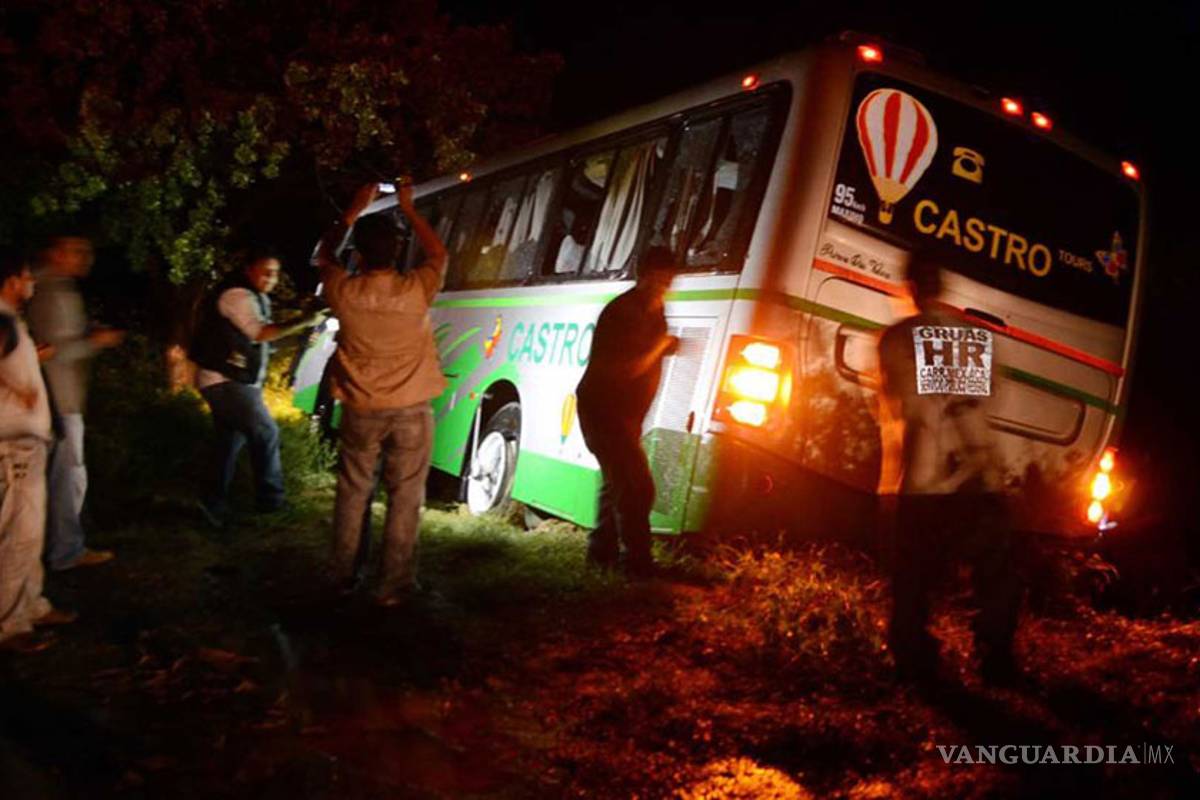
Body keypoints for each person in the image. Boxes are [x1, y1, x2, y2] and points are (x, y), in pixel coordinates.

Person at [876, 251, 1020, 684]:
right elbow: (986, 401)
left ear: (910, 289)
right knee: (995, 576)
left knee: (913, 578)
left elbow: (901, 409)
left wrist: (887, 485)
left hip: (925, 481)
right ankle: (996, 659)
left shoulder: (898, 338)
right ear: (942, 288)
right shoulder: (976, 339)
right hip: (981, 477)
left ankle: (915, 659)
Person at [311, 181, 448, 605]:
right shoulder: (415, 291)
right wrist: (408, 208)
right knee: (406, 496)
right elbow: (440, 254)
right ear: (397, 250)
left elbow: (323, 254)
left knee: (353, 492)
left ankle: (341, 575)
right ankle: (392, 585)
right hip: (411, 409)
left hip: (360, 407)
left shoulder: (343, 291)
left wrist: (353, 208)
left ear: (360, 255)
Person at [190, 246, 325, 526]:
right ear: (248, 269)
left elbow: (262, 343)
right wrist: (305, 321)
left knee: (228, 443)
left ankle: (211, 505)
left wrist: (298, 338)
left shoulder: (254, 297)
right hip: (226, 381)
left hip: (228, 380)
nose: (271, 278)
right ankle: (271, 503)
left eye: (275, 273)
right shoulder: (237, 295)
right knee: (266, 432)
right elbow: (259, 332)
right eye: (265, 272)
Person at [575, 245, 678, 578]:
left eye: (667, 282)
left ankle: (600, 555)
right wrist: (660, 348)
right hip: (603, 411)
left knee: (616, 483)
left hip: (625, 416)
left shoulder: (654, 312)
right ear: (641, 275)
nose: (662, 288)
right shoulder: (621, 312)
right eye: (657, 280)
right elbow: (627, 371)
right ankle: (637, 563)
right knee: (637, 486)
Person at [26, 235, 122, 571]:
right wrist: (96, 341)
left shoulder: (52, 285)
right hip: (58, 398)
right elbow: (53, 352)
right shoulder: (49, 290)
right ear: (55, 252)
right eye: (78, 251)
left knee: (60, 477)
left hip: (56, 398)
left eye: (89, 250)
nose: (87, 257)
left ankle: (59, 548)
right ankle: (65, 551)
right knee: (68, 477)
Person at [0, 247, 78, 655]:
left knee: (30, 533)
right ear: (12, 280)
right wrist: (18, 390)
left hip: (27, 445)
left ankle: (32, 605)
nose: (32, 284)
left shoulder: (13, 322)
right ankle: (10, 626)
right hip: (12, 448)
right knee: (18, 535)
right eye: (28, 277)